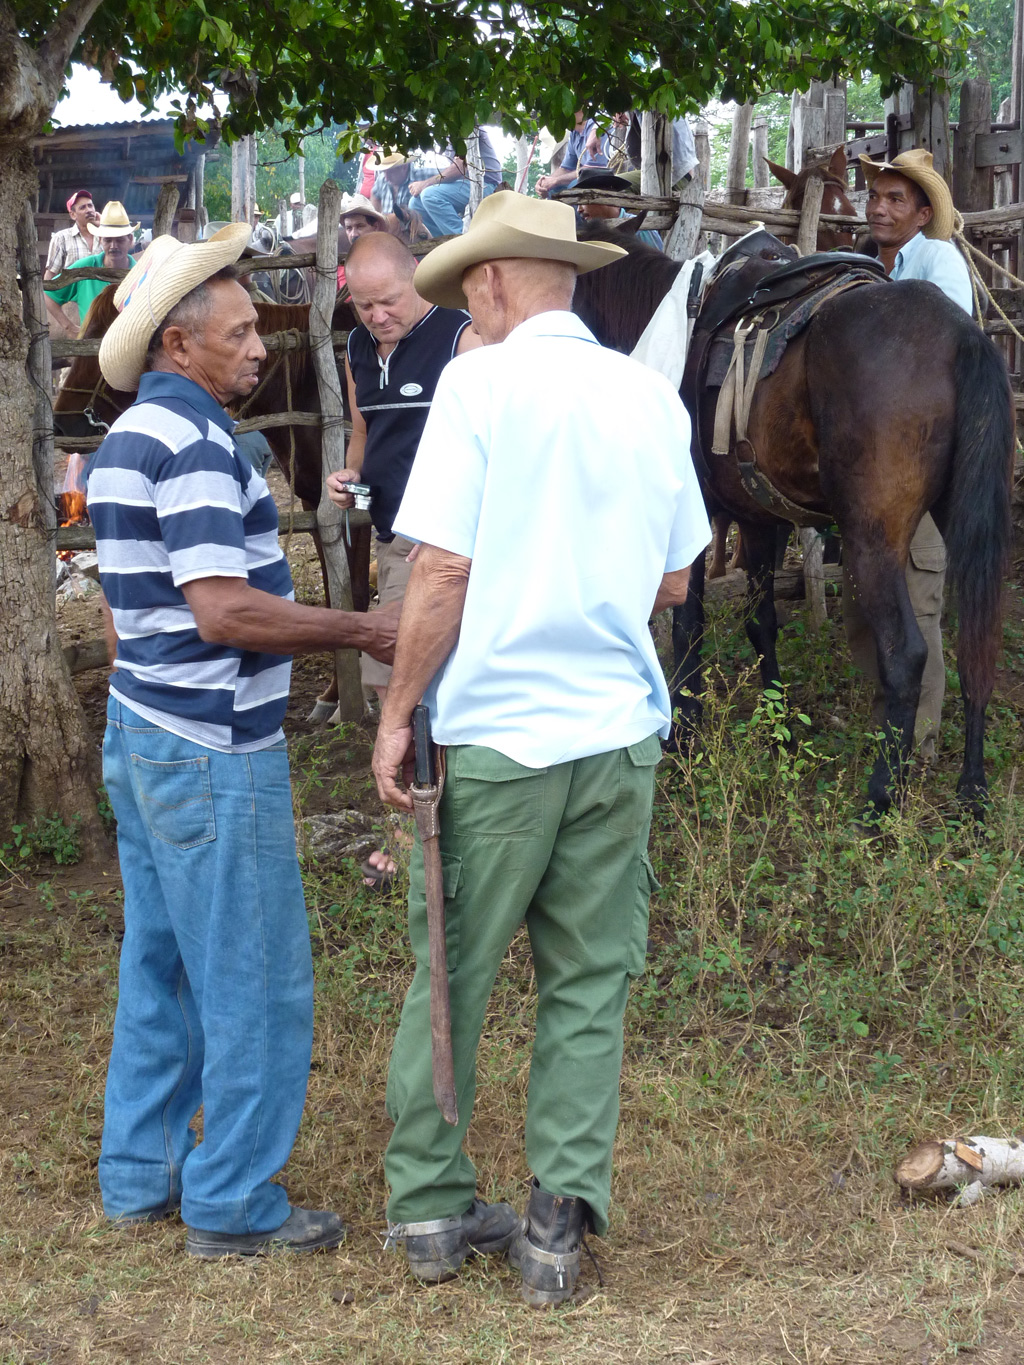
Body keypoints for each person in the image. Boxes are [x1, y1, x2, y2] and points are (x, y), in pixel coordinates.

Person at [370, 193, 711, 1304]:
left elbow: (443, 570)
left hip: (499, 736)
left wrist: (396, 711)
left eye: (467, 287)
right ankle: (556, 1226)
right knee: (589, 979)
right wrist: (588, 592)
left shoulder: (477, 387)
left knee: (453, 967)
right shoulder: (646, 394)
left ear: (489, 281)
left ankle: (431, 1204)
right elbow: (675, 578)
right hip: (615, 735)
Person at [87, 225, 398, 1258]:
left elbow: (126, 616)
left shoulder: (131, 438)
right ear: (177, 345)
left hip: (146, 725)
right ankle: (231, 1200)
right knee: (256, 973)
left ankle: (140, 1172)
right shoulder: (195, 446)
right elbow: (224, 611)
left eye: (257, 330)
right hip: (213, 744)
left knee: (163, 963)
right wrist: (362, 628)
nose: (261, 348)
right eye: (237, 334)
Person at [843, 149, 974, 762]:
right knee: (867, 599)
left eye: (896, 199)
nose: (879, 207)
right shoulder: (864, 267)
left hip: (916, 459)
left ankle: (915, 745)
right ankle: (886, 725)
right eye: (874, 196)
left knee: (916, 598)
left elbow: (942, 361)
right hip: (869, 464)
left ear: (923, 215)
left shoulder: (937, 263)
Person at [325, 232, 479, 712]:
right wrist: (350, 477)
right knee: (397, 680)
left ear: (415, 274)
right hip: (391, 532)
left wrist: (457, 529)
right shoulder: (357, 346)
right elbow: (363, 432)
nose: (377, 316)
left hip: (445, 536)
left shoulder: (462, 336)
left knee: (399, 676)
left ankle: (420, 755)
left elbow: (492, 441)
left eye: (388, 301)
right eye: (364, 306)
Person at [43, 201, 139, 338]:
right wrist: (69, 327)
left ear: (130, 240)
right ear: (100, 239)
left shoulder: (141, 272)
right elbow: (47, 293)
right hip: (90, 348)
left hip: (130, 346)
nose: (113, 246)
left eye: (119, 240)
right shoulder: (84, 268)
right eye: (108, 240)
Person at [410, 130, 502, 236]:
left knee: (430, 195)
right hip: (467, 186)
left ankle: (463, 240)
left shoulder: (465, 127)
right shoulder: (447, 134)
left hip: (487, 186)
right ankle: (443, 240)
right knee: (415, 203)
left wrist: (424, 184)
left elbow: (460, 168)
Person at [567, 168, 664, 250]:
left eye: (583, 202)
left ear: (604, 198)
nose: (579, 209)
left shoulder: (642, 231)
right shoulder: (591, 234)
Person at [536, 111, 610, 197]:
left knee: (574, 185)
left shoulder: (597, 125)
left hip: (606, 178)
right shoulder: (574, 134)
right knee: (552, 189)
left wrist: (556, 180)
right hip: (587, 177)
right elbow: (565, 168)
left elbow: (593, 169)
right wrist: (545, 183)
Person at [44, 189, 101, 277]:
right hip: (73, 286)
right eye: (82, 207)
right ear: (73, 215)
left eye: (90, 206)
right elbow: (51, 273)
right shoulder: (61, 238)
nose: (89, 210)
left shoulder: (105, 236)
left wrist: (103, 225)